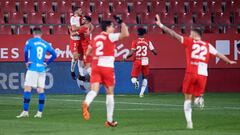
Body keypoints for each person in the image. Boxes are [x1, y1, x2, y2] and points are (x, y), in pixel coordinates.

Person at [155, 14, 236, 129]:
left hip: (191, 73)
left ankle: (190, 123)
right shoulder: (208, 45)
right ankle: (199, 99)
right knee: (197, 95)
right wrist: (229, 61)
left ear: (194, 34)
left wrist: (161, 25)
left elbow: (173, 34)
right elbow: (219, 55)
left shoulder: (189, 41)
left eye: (190, 33)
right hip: (203, 75)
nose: (188, 34)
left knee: (187, 98)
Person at [81, 17, 129, 127]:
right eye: (112, 26)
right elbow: (125, 34)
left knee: (94, 90)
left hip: (96, 65)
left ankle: (86, 103)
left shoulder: (96, 38)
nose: (114, 28)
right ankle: (109, 120)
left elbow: (88, 51)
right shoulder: (110, 37)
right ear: (107, 27)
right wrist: (122, 23)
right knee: (110, 93)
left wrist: (92, 57)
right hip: (107, 67)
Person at [16, 27, 57, 118]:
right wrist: (47, 63)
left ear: (33, 33)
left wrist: (26, 61)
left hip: (33, 68)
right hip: (42, 69)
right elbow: (54, 55)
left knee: (27, 89)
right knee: (40, 90)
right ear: (41, 34)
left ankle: (25, 111)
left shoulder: (30, 41)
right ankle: (39, 113)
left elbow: (26, 51)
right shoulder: (45, 43)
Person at [124, 27, 157, 97]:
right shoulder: (148, 41)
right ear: (144, 33)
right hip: (145, 61)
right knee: (145, 77)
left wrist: (125, 57)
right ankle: (141, 93)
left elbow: (131, 53)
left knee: (133, 78)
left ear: (138, 33)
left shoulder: (135, 41)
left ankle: (136, 81)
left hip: (138, 60)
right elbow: (155, 52)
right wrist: (153, 51)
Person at [69, 6, 85, 80]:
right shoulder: (73, 18)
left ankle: (81, 75)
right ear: (76, 11)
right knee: (75, 57)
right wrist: (83, 27)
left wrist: (82, 27)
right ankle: (72, 71)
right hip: (75, 39)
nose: (81, 11)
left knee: (81, 58)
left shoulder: (82, 18)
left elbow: (88, 26)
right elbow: (73, 28)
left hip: (81, 40)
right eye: (80, 10)